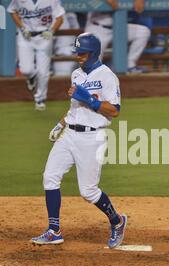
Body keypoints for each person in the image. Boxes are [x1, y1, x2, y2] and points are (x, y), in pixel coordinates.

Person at [31, 33, 127, 248]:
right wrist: (61, 123)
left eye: (82, 53)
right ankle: (54, 230)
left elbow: (114, 111)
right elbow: (75, 108)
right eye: (77, 53)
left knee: (88, 191)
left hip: (92, 137)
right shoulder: (75, 74)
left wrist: (89, 99)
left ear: (93, 52)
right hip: (69, 135)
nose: (78, 57)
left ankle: (117, 221)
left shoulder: (107, 76)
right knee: (50, 176)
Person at [7, 0, 65, 111]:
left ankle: (40, 99)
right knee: (26, 69)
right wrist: (22, 28)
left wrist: (52, 31)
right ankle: (32, 76)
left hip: (44, 36)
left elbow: (60, 18)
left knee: (43, 72)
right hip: (25, 37)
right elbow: (12, 11)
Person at [85, 0, 152, 73]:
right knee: (91, 68)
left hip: (119, 27)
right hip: (97, 28)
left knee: (143, 32)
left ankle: (130, 65)